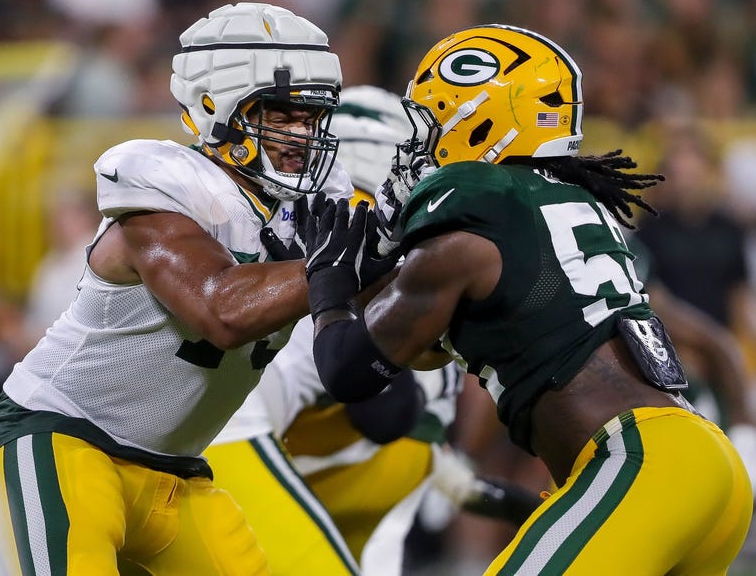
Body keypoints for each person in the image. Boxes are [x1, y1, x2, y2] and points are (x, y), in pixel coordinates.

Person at [299, 24, 754, 573]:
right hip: (701, 464)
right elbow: (419, 350)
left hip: (638, 465)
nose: (417, 147)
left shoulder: (467, 233)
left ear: (480, 120)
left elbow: (349, 370)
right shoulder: (565, 203)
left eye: (431, 123)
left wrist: (327, 279)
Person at [0, 2, 348, 575]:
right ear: (214, 107)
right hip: (64, 442)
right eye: (281, 115)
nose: (302, 136)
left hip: (175, 472)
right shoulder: (165, 188)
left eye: (311, 119)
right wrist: (344, 262)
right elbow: (221, 311)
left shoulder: (312, 214)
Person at [203, 85, 542, 576]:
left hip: (332, 472)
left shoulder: (417, 258)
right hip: (238, 450)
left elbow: (406, 429)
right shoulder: (328, 268)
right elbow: (389, 414)